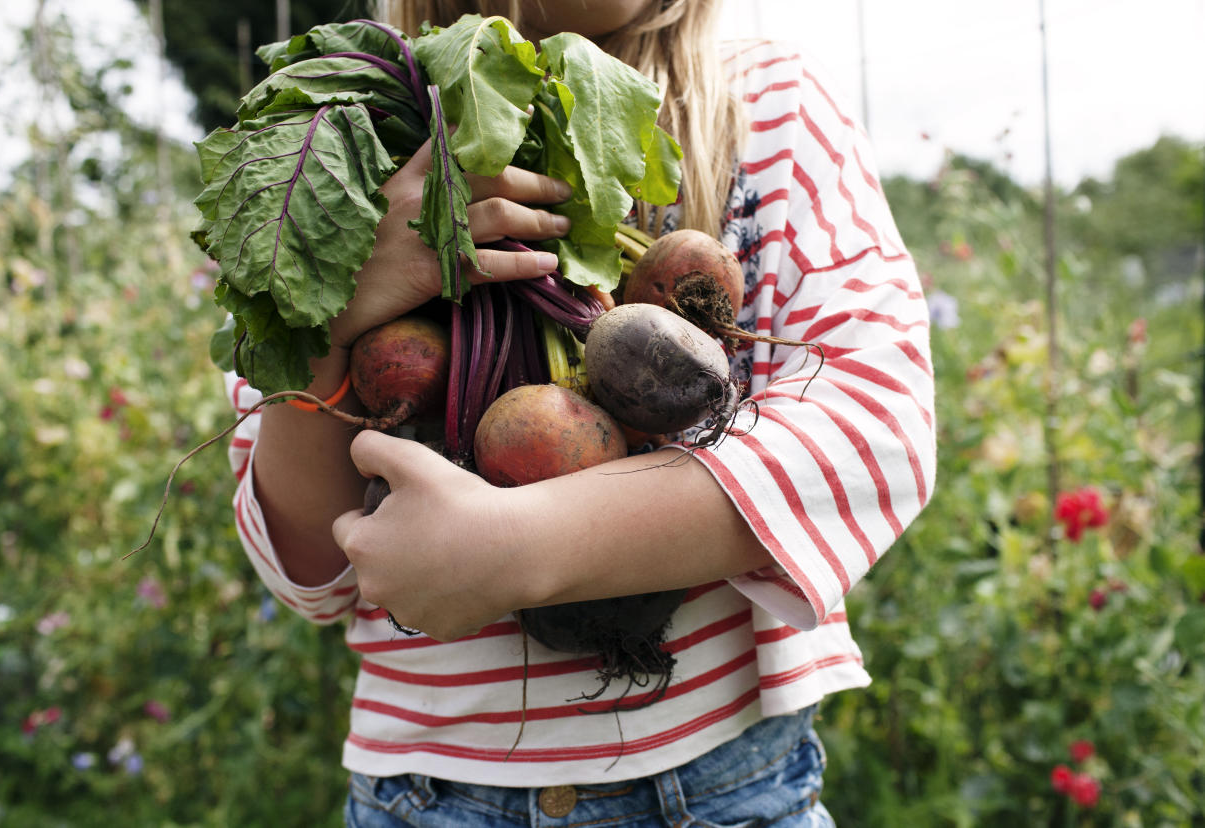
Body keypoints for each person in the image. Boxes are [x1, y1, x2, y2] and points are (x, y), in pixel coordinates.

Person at [223, 0, 936, 824]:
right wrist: (333, 308)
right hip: (426, 797)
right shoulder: (361, 154)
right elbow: (309, 574)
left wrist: (529, 546)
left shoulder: (763, 105)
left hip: (723, 789)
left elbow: (875, 428)